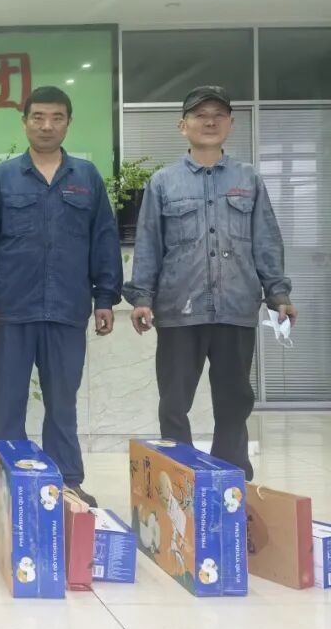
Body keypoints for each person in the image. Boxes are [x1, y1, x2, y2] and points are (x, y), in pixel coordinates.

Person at [0, 86, 122, 508]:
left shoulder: (86, 178)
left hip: (68, 309)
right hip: (11, 310)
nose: (47, 126)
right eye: (38, 117)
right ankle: (2, 487)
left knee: (62, 404)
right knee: (6, 405)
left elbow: (104, 240)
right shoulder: (2, 178)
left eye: (56, 117)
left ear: (68, 122)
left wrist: (105, 298)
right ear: (25, 122)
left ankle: (67, 483)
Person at [125, 85, 295, 480]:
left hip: (236, 306)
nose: (210, 121)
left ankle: (230, 480)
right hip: (178, 309)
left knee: (235, 401)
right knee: (174, 402)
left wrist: (278, 293)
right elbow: (149, 243)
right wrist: (142, 297)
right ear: (182, 125)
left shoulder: (248, 179)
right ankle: (179, 480)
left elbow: (266, 240)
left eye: (218, 115)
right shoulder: (163, 182)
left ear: (231, 124)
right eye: (200, 115)